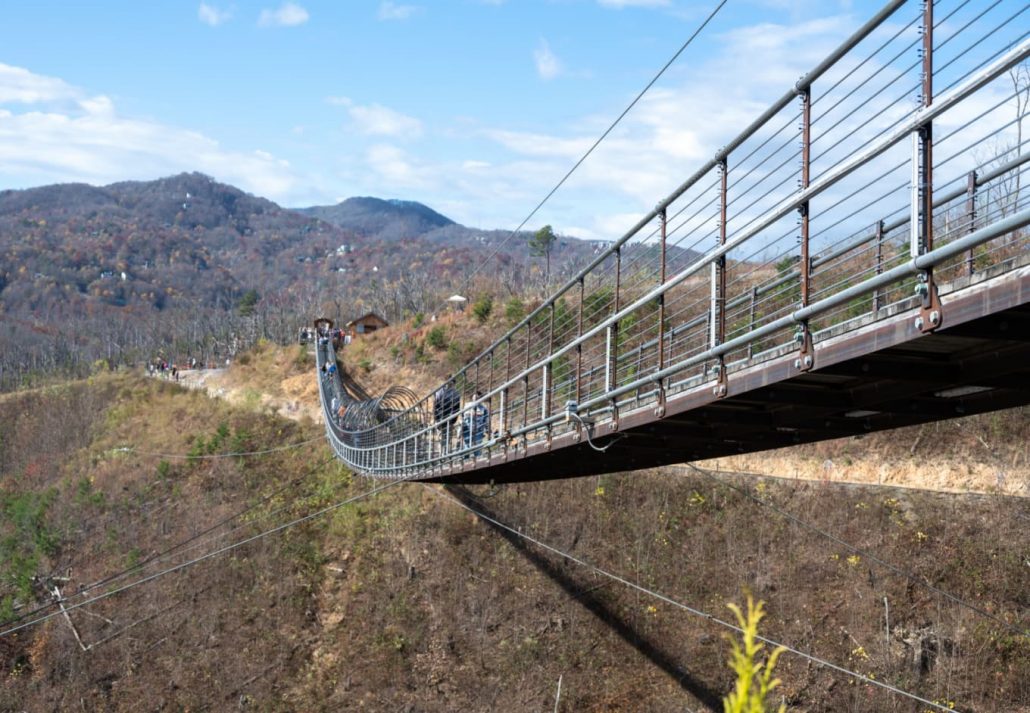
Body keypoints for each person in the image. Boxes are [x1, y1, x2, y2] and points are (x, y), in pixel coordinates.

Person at [433, 380, 460, 453]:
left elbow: (435, 406)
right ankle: (444, 454)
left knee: (443, 437)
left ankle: (443, 454)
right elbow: (457, 408)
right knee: (445, 437)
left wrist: (436, 418)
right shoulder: (455, 393)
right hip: (445, 418)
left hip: (444, 418)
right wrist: (454, 419)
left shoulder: (439, 392)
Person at [462, 391, 490, 458]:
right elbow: (462, 417)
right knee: (467, 447)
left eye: (478, 397)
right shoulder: (467, 405)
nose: (476, 398)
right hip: (467, 429)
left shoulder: (483, 408)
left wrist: (487, 428)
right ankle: (465, 461)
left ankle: (477, 461)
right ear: (472, 397)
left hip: (478, 430)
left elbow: (486, 419)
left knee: (477, 447)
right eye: (475, 396)